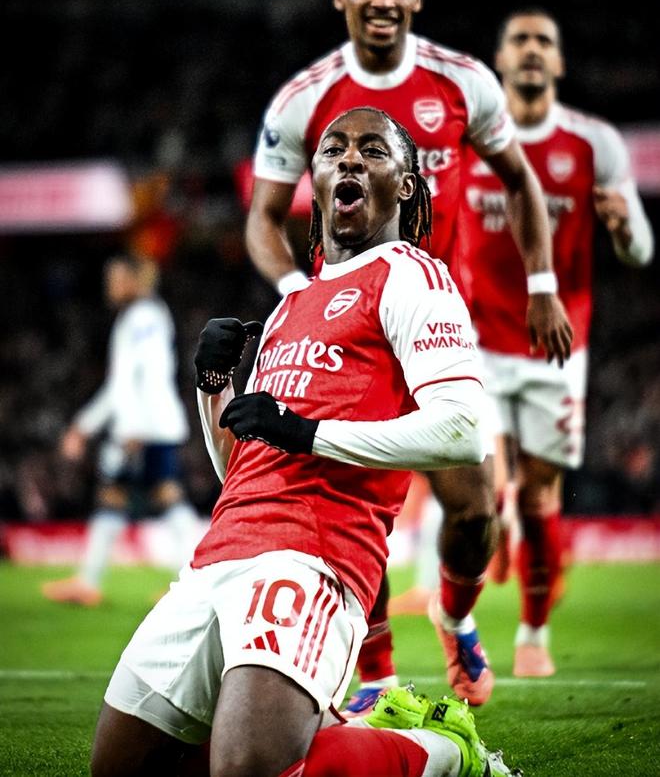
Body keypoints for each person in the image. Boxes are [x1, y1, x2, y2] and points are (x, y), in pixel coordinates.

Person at [89, 108, 519, 777]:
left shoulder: (412, 277)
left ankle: (445, 753)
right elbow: (244, 469)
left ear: (406, 185)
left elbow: (462, 431)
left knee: (250, 769)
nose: (349, 159)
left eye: (372, 150)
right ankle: (341, 729)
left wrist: (307, 432)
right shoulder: (290, 306)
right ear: (313, 179)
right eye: (333, 150)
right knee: (120, 769)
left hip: (312, 558)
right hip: (217, 557)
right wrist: (212, 388)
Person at [245, 0, 573, 708]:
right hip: (344, 326)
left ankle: (454, 617)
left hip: (431, 317)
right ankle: (378, 675)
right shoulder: (304, 97)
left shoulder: (463, 83)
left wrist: (543, 285)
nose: (383, 1)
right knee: (347, 499)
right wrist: (299, 294)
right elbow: (263, 217)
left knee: (475, 508)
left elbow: (519, 181)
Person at [459, 8, 654, 677]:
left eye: (544, 41)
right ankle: (473, 591)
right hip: (473, 341)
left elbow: (641, 250)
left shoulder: (594, 142)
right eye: (520, 40)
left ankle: (533, 633)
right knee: (480, 491)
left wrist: (625, 228)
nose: (533, 49)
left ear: (560, 63)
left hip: (556, 346)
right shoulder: (470, 137)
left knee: (540, 499)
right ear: (500, 60)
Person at [41, 254, 201, 606]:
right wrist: (84, 426)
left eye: (115, 278)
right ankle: (89, 583)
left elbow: (146, 374)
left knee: (161, 495)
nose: (109, 285)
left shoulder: (144, 317)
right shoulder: (140, 316)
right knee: (136, 495)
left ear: (135, 279)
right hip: (149, 424)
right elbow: (122, 384)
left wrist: (130, 428)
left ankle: (194, 582)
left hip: (144, 427)